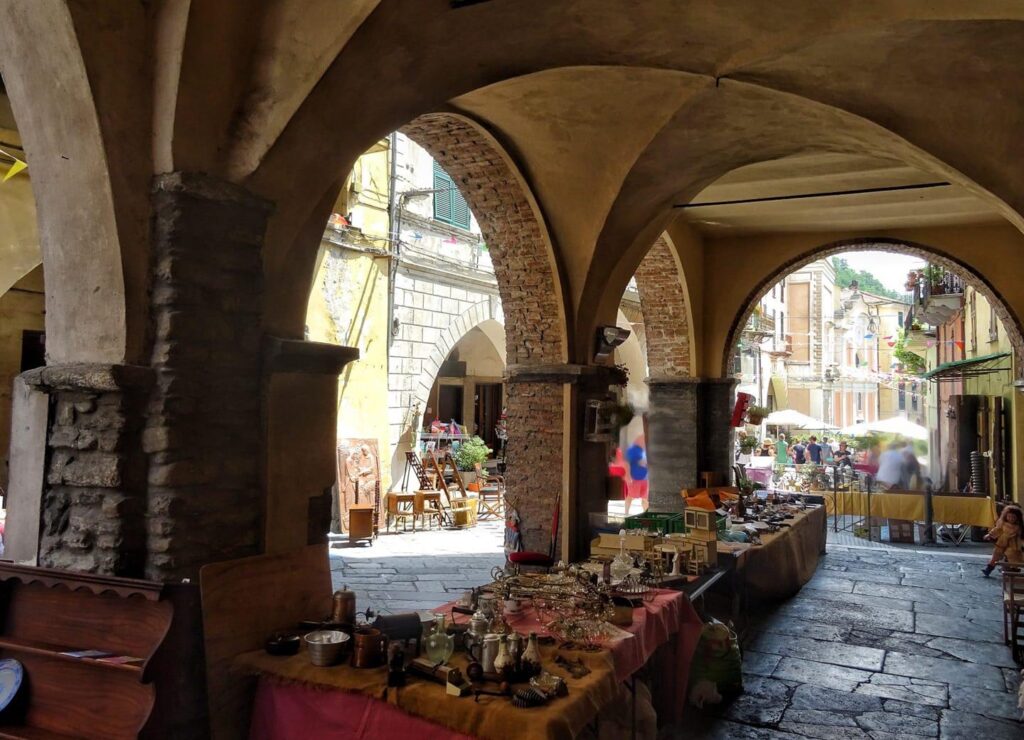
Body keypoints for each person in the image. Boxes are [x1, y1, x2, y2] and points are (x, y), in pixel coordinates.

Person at [982, 504, 1023, 577]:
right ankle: (988, 569)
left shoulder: (1019, 527)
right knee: (995, 556)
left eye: (1013, 517)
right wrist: (989, 535)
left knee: (1012, 557)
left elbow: (1021, 536)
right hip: (1001, 543)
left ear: (1017, 518)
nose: (1011, 519)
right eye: (1009, 516)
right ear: (1005, 516)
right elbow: (997, 530)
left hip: (1013, 545)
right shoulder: (1002, 524)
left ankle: (1013, 570)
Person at [624, 435, 649, 515]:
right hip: (634, 478)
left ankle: (646, 515)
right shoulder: (632, 450)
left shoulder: (645, 450)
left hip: (645, 478)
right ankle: (626, 513)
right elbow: (627, 463)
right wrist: (628, 476)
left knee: (645, 498)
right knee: (630, 496)